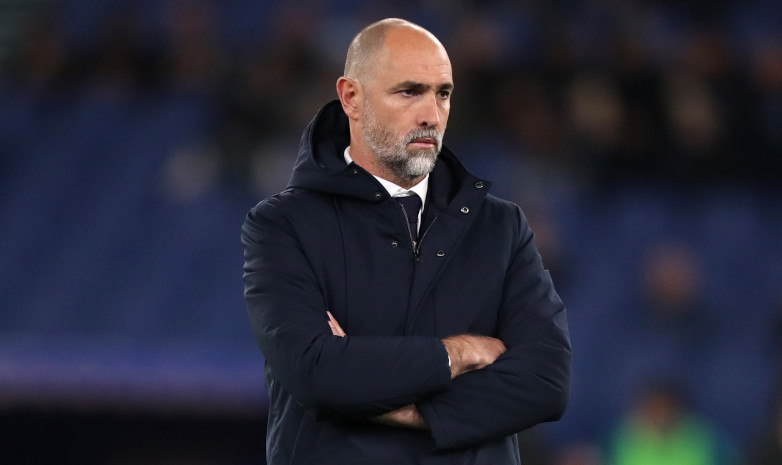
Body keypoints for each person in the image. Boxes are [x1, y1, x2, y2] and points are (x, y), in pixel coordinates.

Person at [241, 18, 571, 465]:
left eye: (443, 93)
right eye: (409, 92)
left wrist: (411, 413)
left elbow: (546, 382)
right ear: (351, 98)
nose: (431, 115)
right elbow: (316, 372)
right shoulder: (283, 225)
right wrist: (458, 353)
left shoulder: (500, 226)